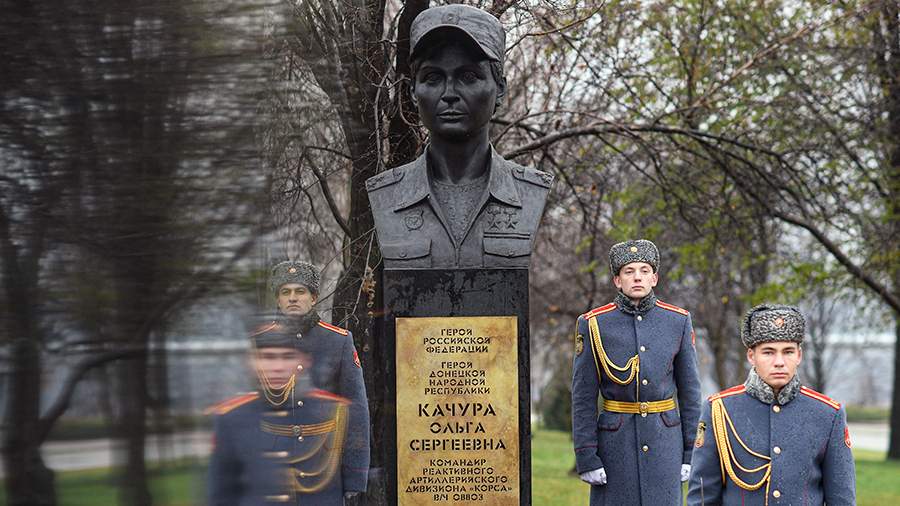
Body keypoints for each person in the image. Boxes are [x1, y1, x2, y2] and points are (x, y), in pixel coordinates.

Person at [366, 4, 553, 270]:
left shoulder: (531, 192)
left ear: (499, 89)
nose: (450, 93)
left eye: (468, 76)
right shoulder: (385, 194)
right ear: (412, 92)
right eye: (433, 78)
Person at [571, 239, 701, 505]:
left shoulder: (678, 321)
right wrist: (586, 457)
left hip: (666, 443)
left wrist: (690, 453)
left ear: (655, 278)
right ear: (617, 280)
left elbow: (690, 393)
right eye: (629, 271)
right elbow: (583, 397)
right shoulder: (594, 324)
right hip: (615, 446)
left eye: (644, 270)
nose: (637, 277)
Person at [687, 304, 856, 505]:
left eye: (788, 352)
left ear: (799, 356)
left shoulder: (828, 414)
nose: (779, 362)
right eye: (768, 352)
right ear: (752, 356)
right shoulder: (719, 410)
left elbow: (842, 498)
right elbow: (704, 496)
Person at [207, 320, 365, 505]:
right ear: (251, 362)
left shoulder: (334, 411)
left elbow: (352, 461)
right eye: (267, 357)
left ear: (305, 361)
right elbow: (220, 493)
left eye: (288, 356)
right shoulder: (231, 418)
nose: (278, 367)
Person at [269, 260, 370, 498]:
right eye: (286, 292)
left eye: (300, 291)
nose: (292, 298)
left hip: (323, 472)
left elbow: (355, 409)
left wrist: (354, 476)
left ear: (313, 298)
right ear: (278, 299)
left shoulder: (338, 341)